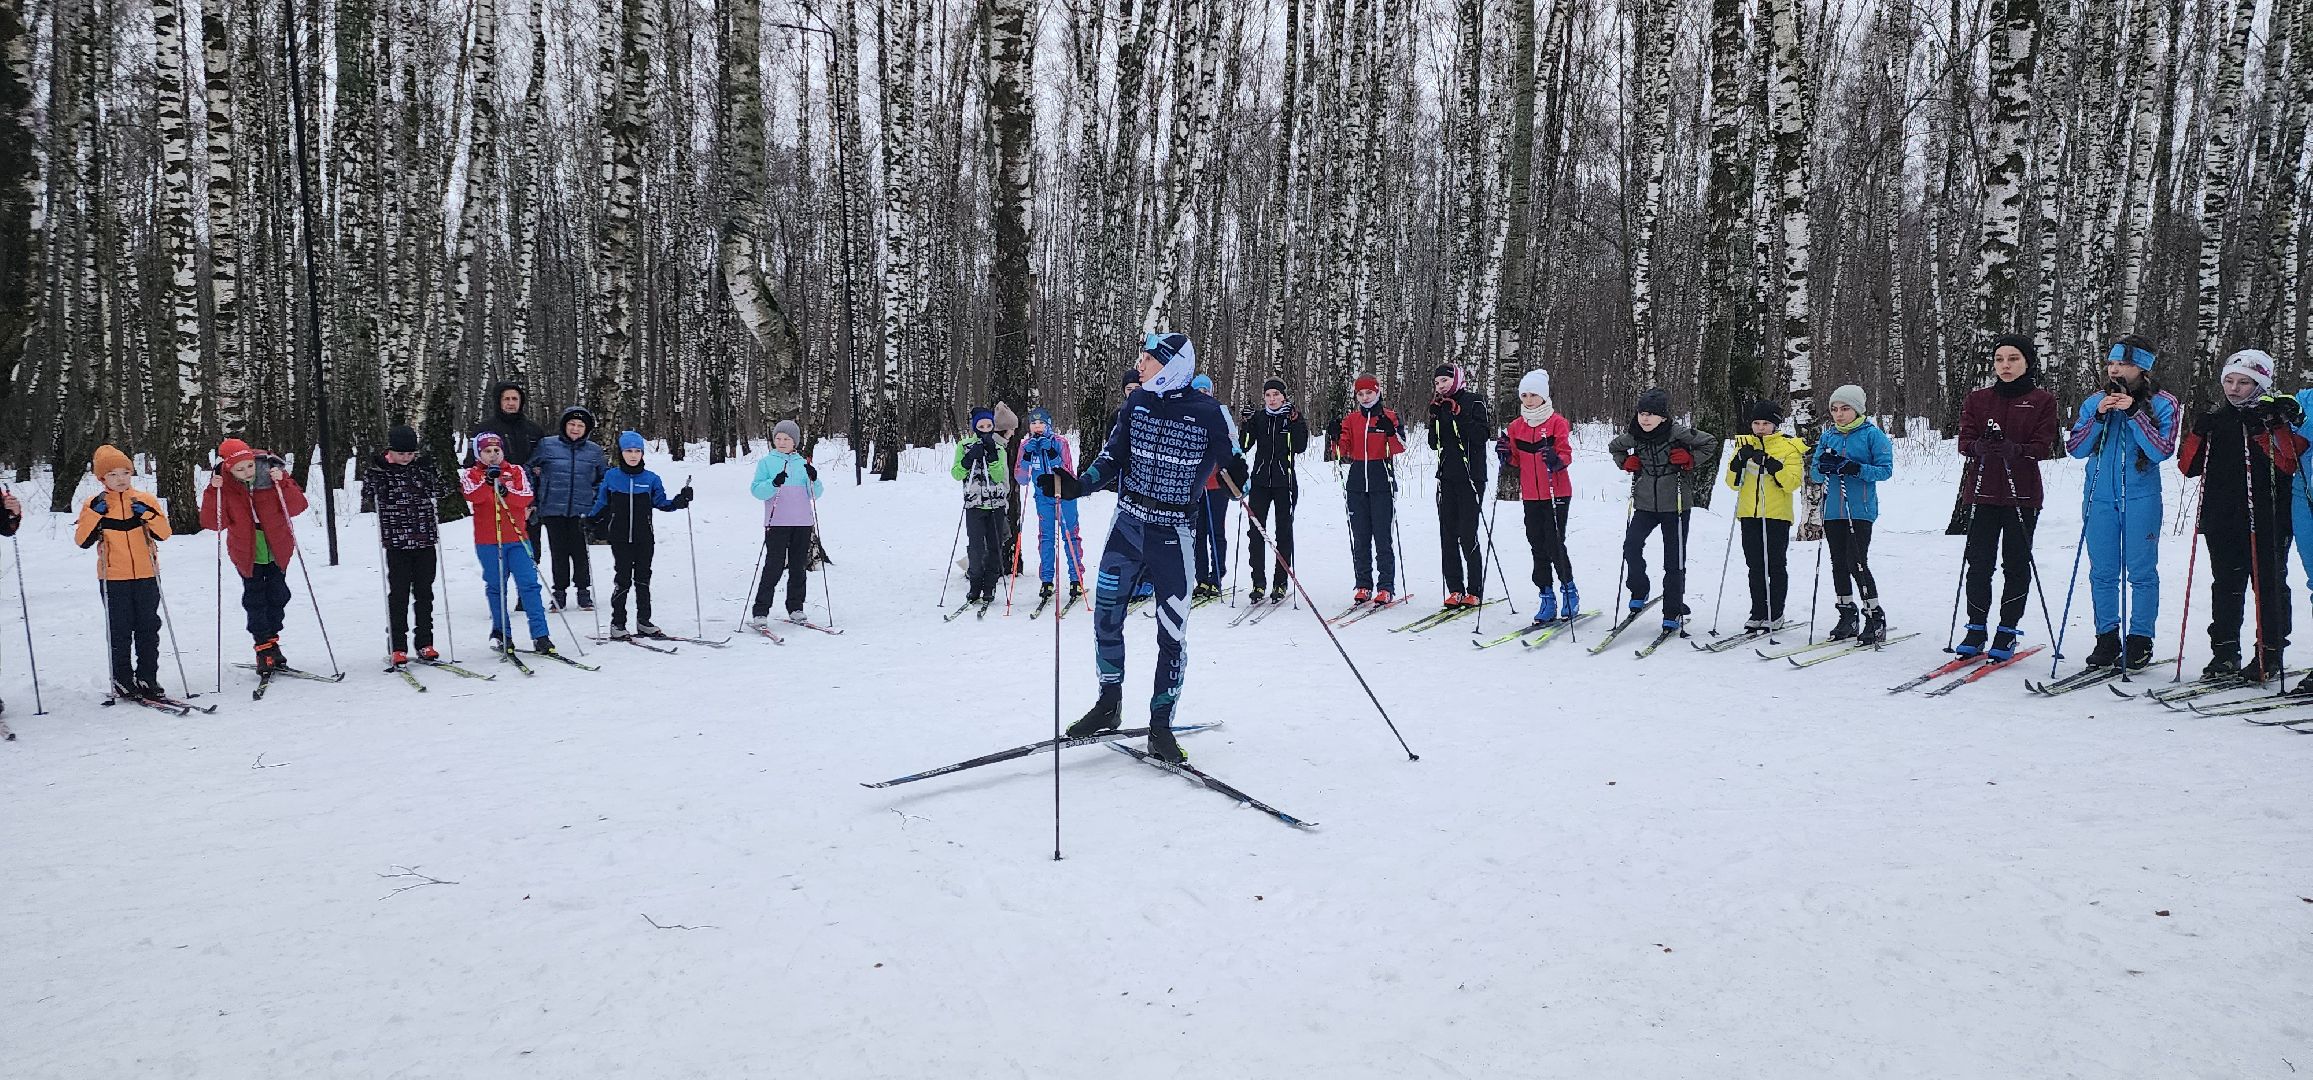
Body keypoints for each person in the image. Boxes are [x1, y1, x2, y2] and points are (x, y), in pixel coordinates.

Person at [1041, 332, 1242, 763]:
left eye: (1147, 359)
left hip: (1174, 535)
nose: (1140, 365)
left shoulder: (1210, 413)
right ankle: (1108, 704)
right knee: (1106, 618)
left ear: (1170, 365)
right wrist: (1077, 486)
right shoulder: (1137, 403)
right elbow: (1113, 456)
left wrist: (1239, 474)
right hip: (1127, 527)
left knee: (1171, 633)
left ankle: (1160, 725)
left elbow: (1234, 460)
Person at [2177, 351, 2303, 681]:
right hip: (2222, 516)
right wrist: (2197, 434)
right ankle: (2224, 652)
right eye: (2229, 381)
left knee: (2269, 584)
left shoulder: (2273, 415)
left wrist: (2267, 430)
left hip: (2268, 516)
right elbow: (2188, 467)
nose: (2234, 389)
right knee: (2227, 585)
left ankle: (2270, 652)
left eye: (2244, 382)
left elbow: (2289, 461)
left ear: (2259, 384)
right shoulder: (2217, 419)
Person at [2066, 334, 2180, 670]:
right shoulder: (2095, 402)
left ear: (2142, 369)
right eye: (2112, 363)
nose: (2115, 370)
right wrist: (2098, 417)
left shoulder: (2163, 403)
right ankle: (2107, 637)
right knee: (2102, 571)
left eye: (2124, 364)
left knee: (2141, 571)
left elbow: (2161, 451)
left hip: (2141, 496)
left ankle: (2140, 639)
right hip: (2099, 496)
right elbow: (2076, 448)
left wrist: (2134, 415)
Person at [1954, 334, 2062, 660]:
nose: (2005, 365)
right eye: (2000, 359)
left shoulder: (2042, 400)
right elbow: (1964, 442)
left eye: (2013, 358)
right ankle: (1975, 626)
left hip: (2022, 494)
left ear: (2027, 362)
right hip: (1983, 490)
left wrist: (2016, 450)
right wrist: (1980, 447)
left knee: (2015, 562)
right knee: (1979, 562)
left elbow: (2045, 446)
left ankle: (2007, 629)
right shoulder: (1978, 398)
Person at [1608, 388, 1714, 631]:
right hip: (1645, 503)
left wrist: (1688, 458)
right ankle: (1639, 588)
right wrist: (1625, 462)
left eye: (1651, 415)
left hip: (1675, 504)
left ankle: (1672, 609)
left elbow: (1709, 443)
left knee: (1673, 559)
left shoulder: (1677, 433)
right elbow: (1615, 447)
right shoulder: (1635, 436)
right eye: (1642, 414)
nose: (1645, 419)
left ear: (1663, 417)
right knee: (1631, 546)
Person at [201, 438, 309, 673]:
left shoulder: (271, 474)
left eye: (249, 466)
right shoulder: (224, 486)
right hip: (246, 550)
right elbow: (213, 523)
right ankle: (262, 647)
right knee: (255, 598)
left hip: (277, 546)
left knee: (279, 595)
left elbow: (298, 507)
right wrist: (213, 491)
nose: (246, 472)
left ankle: (272, 640)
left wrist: (285, 483)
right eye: (239, 469)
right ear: (229, 468)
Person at [74, 444, 171, 698]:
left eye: (125, 473)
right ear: (101, 478)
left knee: (148, 628)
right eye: (113, 474)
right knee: (120, 629)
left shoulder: (144, 500)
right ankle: (122, 679)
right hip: (114, 577)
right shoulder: (94, 503)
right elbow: (82, 540)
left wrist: (148, 515)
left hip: (147, 574)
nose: (120, 479)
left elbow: (165, 533)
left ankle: (148, 677)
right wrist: (95, 515)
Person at [1808, 385, 1896, 643]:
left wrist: (1855, 467)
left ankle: (1874, 614)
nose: (1839, 414)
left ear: (1857, 409)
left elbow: (1884, 470)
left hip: (1859, 509)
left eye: (1845, 408)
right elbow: (1814, 473)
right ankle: (1847, 613)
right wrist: (1824, 467)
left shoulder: (1872, 435)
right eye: (1834, 409)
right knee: (1838, 563)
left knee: (1856, 560)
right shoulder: (1828, 437)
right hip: (1833, 509)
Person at [589, 430, 694, 638]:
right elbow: (602, 503)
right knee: (623, 579)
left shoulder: (651, 479)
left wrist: (680, 501)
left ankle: (644, 621)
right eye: (629, 450)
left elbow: (662, 503)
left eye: (638, 450)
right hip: (619, 538)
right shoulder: (612, 477)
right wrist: (590, 520)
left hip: (645, 538)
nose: (633, 455)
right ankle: (617, 623)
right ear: (621, 452)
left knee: (643, 580)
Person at [460, 432, 556, 654]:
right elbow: (472, 496)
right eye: (487, 451)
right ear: (479, 453)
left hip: (517, 538)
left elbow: (525, 496)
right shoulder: (471, 474)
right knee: (496, 586)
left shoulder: (515, 470)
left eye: (496, 450)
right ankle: (502, 632)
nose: (493, 455)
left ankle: (541, 635)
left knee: (530, 585)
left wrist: (504, 489)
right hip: (489, 542)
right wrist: (488, 483)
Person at [1498, 368, 1577, 622]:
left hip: (1557, 492)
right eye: (1524, 395)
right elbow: (1516, 460)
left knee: (1554, 544)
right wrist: (1505, 454)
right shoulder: (1516, 427)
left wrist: (1556, 459)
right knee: (1536, 544)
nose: (1529, 400)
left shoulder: (1557, 422)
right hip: (1531, 494)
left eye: (1534, 395)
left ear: (1544, 396)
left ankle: (1569, 591)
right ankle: (1546, 596)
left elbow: (1566, 454)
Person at [1723, 400, 1808, 633]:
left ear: (1775, 425)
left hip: (1776, 515)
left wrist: (1771, 464)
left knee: (1775, 564)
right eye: (1756, 423)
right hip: (1749, 514)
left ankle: (1776, 612)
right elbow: (1732, 484)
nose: (1760, 428)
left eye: (1766, 423)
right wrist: (1739, 462)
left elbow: (1792, 483)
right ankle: (1758, 611)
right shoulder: (1744, 444)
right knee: (1755, 565)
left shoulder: (1789, 447)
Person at [365, 425, 440, 665]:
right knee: (398, 593)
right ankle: (398, 644)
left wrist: (432, 471)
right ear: (390, 451)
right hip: (397, 542)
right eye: (401, 454)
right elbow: (368, 495)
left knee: (424, 592)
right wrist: (375, 478)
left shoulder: (422, 469)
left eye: (410, 454)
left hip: (424, 539)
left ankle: (425, 642)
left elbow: (442, 490)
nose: (406, 458)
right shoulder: (380, 470)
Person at [1332, 375, 1407, 605]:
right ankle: (1363, 584)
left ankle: (1386, 586)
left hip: (1381, 481)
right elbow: (1341, 452)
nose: (1365, 398)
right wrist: (1334, 437)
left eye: (1369, 393)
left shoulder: (1390, 416)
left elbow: (1400, 447)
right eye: (1361, 394)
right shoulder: (1351, 419)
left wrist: (1391, 432)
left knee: (1382, 537)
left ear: (1377, 393)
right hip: (1356, 483)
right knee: (1361, 537)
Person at [1239, 378, 1309, 603]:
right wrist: (1247, 422)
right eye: (1268, 395)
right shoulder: (1260, 417)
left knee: (1283, 533)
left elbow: (1300, 446)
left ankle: (1280, 582)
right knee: (1256, 532)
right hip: (1260, 482)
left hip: (1284, 482)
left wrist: (1296, 422)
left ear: (1283, 397)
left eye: (1276, 395)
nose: (1272, 399)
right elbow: (1245, 445)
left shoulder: (1291, 417)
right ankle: (1258, 583)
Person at [530, 405, 606, 611]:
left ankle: (583, 592)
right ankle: (559, 592)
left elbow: (603, 479)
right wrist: (536, 494)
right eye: (571, 424)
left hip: (581, 509)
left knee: (580, 551)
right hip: (553, 508)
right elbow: (529, 469)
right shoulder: (547, 445)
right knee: (558, 552)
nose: (575, 428)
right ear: (564, 425)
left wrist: (595, 498)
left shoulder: (594, 451)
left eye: (580, 425)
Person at [750, 420, 823, 625]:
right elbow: (756, 491)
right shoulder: (766, 463)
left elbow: (815, 494)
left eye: (786, 439)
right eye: (778, 438)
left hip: (802, 522)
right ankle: (761, 610)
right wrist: (773, 483)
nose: (781, 442)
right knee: (773, 566)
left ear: (795, 442)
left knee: (798, 567)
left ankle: (796, 607)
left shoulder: (802, 464)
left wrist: (814, 479)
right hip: (777, 522)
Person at [1014, 407, 1086, 606]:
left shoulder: (1059, 442)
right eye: (1033, 423)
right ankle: (1046, 580)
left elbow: (1068, 470)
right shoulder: (1026, 445)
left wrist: (1052, 453)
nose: (1037, 427)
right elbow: (1021, 478)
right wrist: (1027, 456)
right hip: (1043, 497)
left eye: (1041, 423)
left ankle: (1075, 579)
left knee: (1070, 536)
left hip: (1064, 496)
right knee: (1046, 537)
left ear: (1049, 425)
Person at [471, 380, 549, 556]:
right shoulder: (485, 429)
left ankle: (529, 579)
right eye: (506, 399)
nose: (511, 403)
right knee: (500, 549)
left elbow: (543, 461)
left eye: (515, 398)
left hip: (527, 496)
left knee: (530, 548)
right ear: (499, 401)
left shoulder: (533, 430)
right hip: (495, 496)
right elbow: (473, 463)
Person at [1189, 374, 1241, 600]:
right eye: (1198, 391)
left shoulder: (1219, 413)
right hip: (1195, 485)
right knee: (1197, 532)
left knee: (1216, 530)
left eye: (1205, 391)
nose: (1202, 395)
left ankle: (1217, 576)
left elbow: (1232, 443)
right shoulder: (1187, 414)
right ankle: (1201, 578)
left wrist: (1237, 470)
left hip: (1217, 484)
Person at [953, 409, 1010, 607]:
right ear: (974, 427)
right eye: (981, 426)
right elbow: (957, 474)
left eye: (988, 426)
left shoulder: (999, 448)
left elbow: (998, 475)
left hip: (996, 503)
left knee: (995, 546)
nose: (985, 430)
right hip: (974, 503)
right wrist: (968, 460)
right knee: (976, 546)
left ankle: (990, 585)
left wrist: (992, 456)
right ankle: (975, 583)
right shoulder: (964, 445)